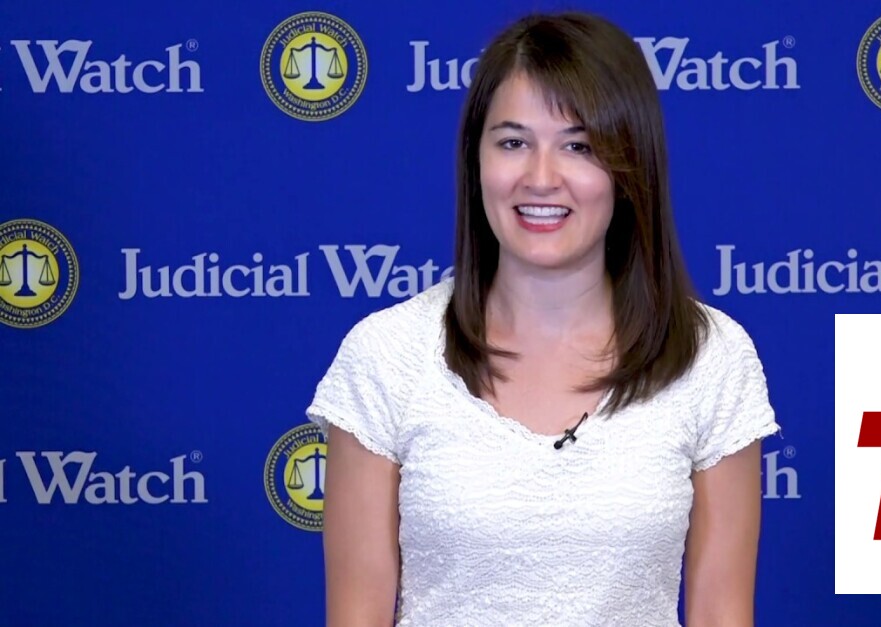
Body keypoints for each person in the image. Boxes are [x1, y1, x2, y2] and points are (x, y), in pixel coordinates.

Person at [305, 10, 780, 627]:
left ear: (630, 166)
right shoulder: (386, 355)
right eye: (513, 143)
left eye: (578, 146)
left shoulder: (710, 355)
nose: (541, 178)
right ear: (476, 161)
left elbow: (722, 612)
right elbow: (356, 614)